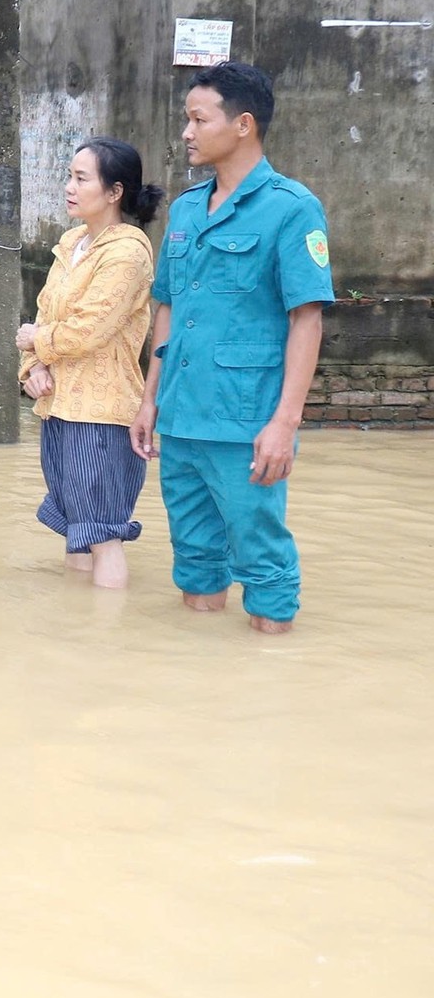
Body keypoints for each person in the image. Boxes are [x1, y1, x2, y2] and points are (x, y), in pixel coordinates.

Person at [130, 62, 334, 634]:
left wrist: (284, 424)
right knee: (195, 564)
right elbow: (167, 307)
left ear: (243, 124)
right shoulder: (188, 209)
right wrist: (150, 401)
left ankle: (269, 686)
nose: (187, 132)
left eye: (199, 119)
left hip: (245, 422)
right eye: (186, 120)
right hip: (182, 417)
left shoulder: (292, 208)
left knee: (263, 564)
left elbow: (307, 319)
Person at [16, 138, 161, 590]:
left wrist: (38, 340)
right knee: (76, 530)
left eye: (81, 179)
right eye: (69, 176)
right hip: (59, 405)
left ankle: (107, 640)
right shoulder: (72, 242)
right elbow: (46, 313)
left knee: (101, 532)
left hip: (102, 415)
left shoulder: (128, 253)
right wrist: (33, 368)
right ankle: (75, 636)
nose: (69, 187)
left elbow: (89, 329)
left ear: (115, 192)